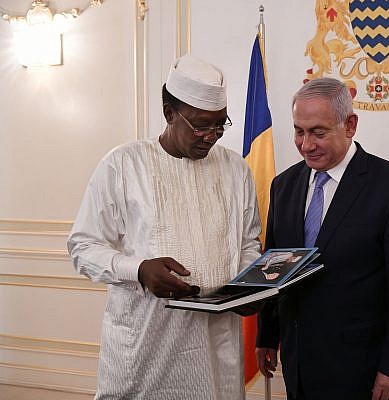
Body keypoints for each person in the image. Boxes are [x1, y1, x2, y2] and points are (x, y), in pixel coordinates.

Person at [67, 54, 262, 400]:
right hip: (146, 342)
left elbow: (248, 242)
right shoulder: (122, 165)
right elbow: (83, 246)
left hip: (217, 343)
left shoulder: (236, 170)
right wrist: (139, 269)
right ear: (169, 114)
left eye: (220, 124)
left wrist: (249, 288)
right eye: (201, 125)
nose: (212, 136)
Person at [256, 78, 389, 400]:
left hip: (359, 368)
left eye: (318, 132)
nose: (306, 144)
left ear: (350, 125)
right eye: (299, 131)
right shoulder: (284, 186)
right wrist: (267, 335)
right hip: (298, 364)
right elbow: (276, 266)